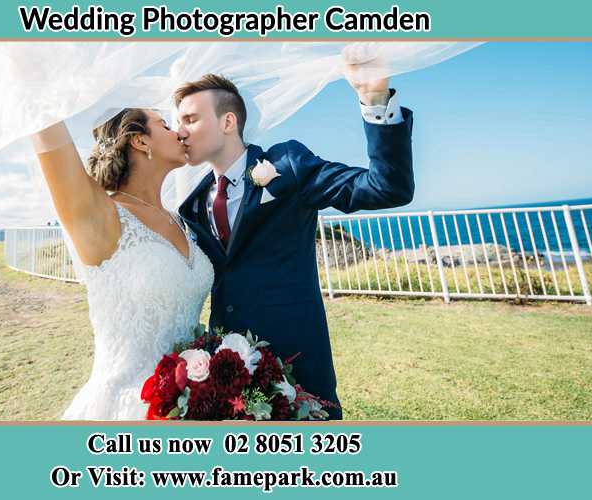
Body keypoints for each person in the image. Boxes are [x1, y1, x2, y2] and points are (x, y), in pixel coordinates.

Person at [176, 70, 414, 420]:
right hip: (226, 374)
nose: (180, 131)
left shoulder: (287, 164)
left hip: (299, 367)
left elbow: (386, 187)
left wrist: (375, 98)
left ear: (228, 121)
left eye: (191, 119)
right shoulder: (192, 204)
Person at [31, 109, 214, 419]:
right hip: (126, 409)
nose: (179, 133)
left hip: (189, 406)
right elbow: (44, 125)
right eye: (165, 125)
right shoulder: (100, 216)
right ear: (141, 141)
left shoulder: (183, 221)